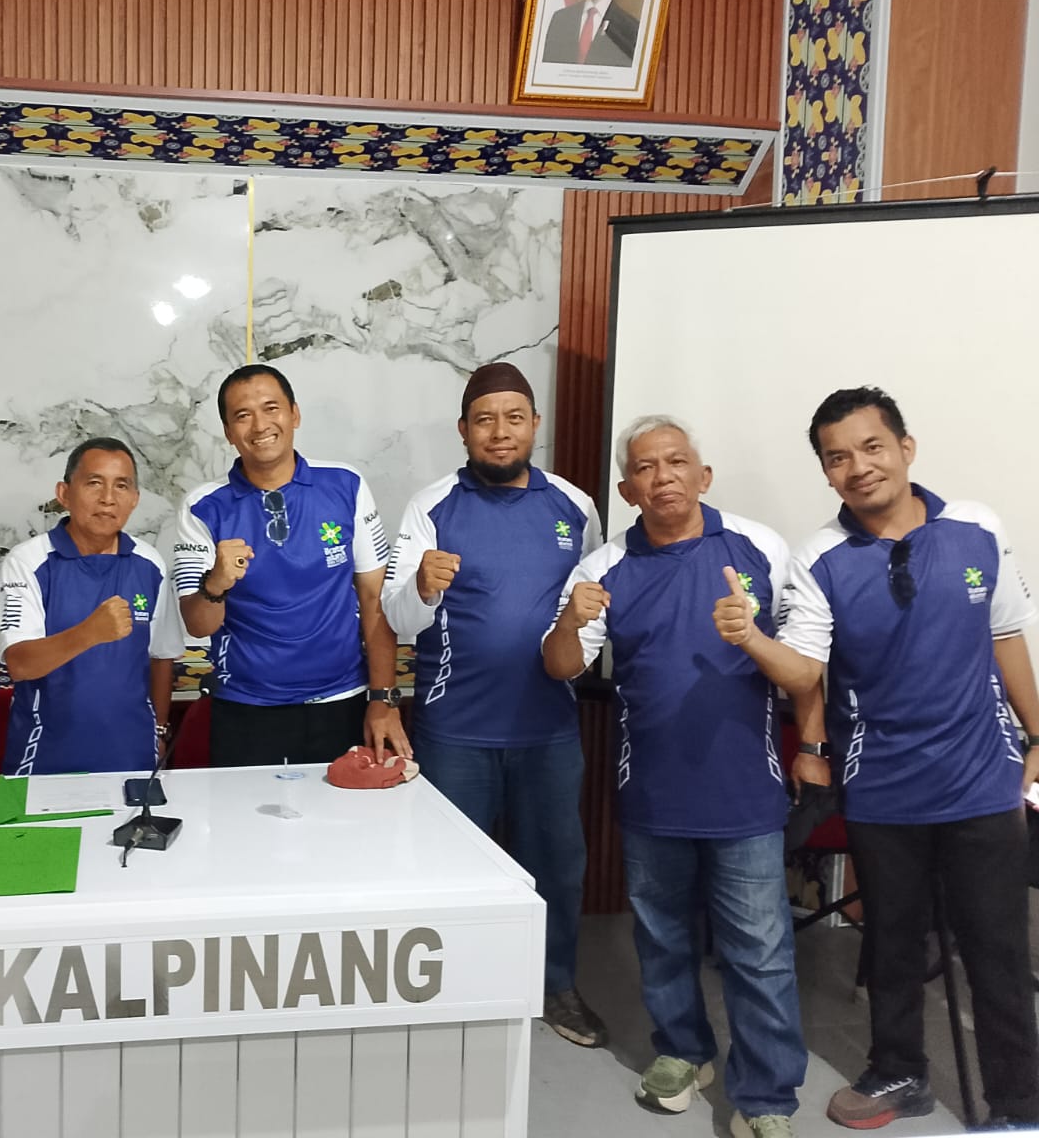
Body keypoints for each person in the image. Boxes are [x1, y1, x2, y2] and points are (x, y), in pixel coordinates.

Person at [721, 387, 1039, 1132]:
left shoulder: (977, 528)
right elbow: (805, 671)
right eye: (838, 457)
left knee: (996, 948)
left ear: (905, 448)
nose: (858, 467)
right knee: (892, 943)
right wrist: (751, 638)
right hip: (882, 785)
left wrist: (1038, 734)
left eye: (871, 447)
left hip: (982, 781)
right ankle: (899, 1071)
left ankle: (1019, 1103)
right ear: (826, 472)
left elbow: (1006, 637)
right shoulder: (820, 558)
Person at [543, 416, 806, 1138]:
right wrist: (568, 621)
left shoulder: (758, 547)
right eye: (646, 468)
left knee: (760, 952)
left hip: (746, 790)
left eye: (677, 462)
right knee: (661, 939)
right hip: (651, 790)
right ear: (627, 489)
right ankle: (684, 1052)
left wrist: (805, 731)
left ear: (703, 475)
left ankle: (767, 1095)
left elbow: (806, 664)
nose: (663, 477)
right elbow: (561, 666)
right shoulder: (602, 567)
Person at [382, 362, 607, 1048]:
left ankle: (555, 984)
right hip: (454, 730)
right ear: (464, 430)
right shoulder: (431, 507)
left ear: (535, 424)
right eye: (485, 419)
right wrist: (421, 586)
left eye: (514, 418)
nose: (500, 431)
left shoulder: (574, 506)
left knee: (556, 866)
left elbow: (590, 612)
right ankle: (456, 990)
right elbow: (398, 618)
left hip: (548, 728)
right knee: (451, 871)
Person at [174, 363, 409, 766]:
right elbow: (198, 625)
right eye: (243, 415)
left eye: (271, 408)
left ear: (294, 414)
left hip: (343, 701)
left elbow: (374, 597)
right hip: (246, 710)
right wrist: (216, 583)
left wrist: (383, 698)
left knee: (349, 809)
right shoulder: (203, 506)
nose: (260, 425)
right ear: (228, 432)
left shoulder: (345, 484)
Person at [0, 438, 185, 774]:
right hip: (43, 756)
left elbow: (161, 656)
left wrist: (158, 731)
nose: (108, 498)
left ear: (135, 499)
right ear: (64, 493)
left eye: (121, 486)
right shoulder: (28, 561)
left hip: (132, 757)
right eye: (94, 483)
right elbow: (19, 664)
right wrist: (89, 633)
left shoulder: (150, 563)